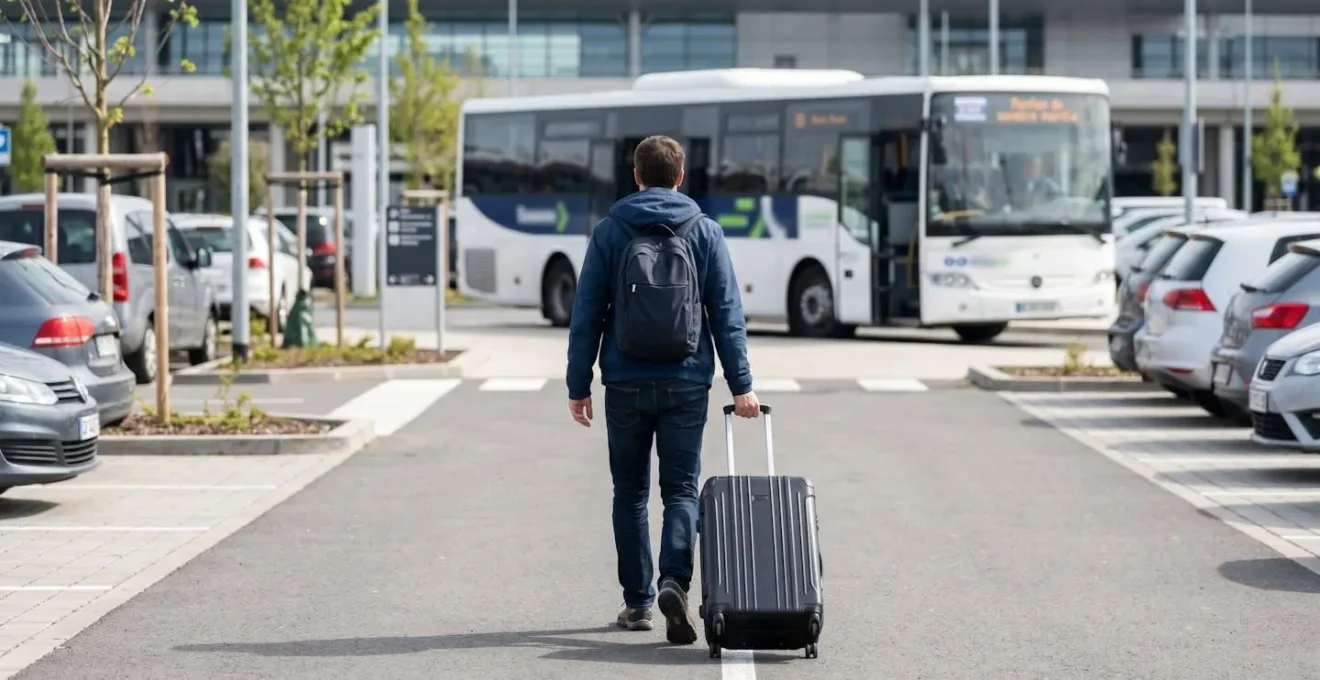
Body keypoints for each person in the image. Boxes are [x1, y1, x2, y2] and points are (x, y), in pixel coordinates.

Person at [565, 135, 759, 645]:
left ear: (635, 176)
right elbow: (726, 313)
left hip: (625, 381)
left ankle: (638, 603)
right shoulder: (705, 232)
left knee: (629, 493)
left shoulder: (610, 232)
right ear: (680, 176)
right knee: (679, 490)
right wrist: (742, 385)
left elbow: (586, 313)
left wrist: (577, 383)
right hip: (687, 378)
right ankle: (674, 579)